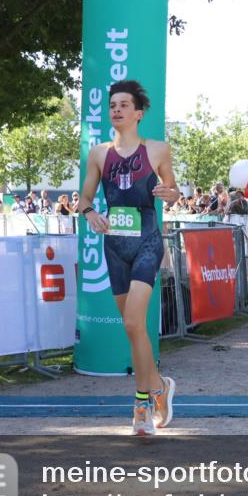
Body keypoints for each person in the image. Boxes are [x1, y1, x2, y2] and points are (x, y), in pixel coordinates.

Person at [77, 79, 181, 437]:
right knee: (133, 329)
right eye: (112, 105)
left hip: (147, 242)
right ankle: (160, 387)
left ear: (138, 114)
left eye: (123, 105)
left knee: (135, 324)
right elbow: (84, 199)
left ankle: (141, 405)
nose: (116, 110)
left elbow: (173, 191)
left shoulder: (156, 150)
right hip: (115, 246)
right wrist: (91, 213)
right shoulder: (98, 154)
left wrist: (169, 194)